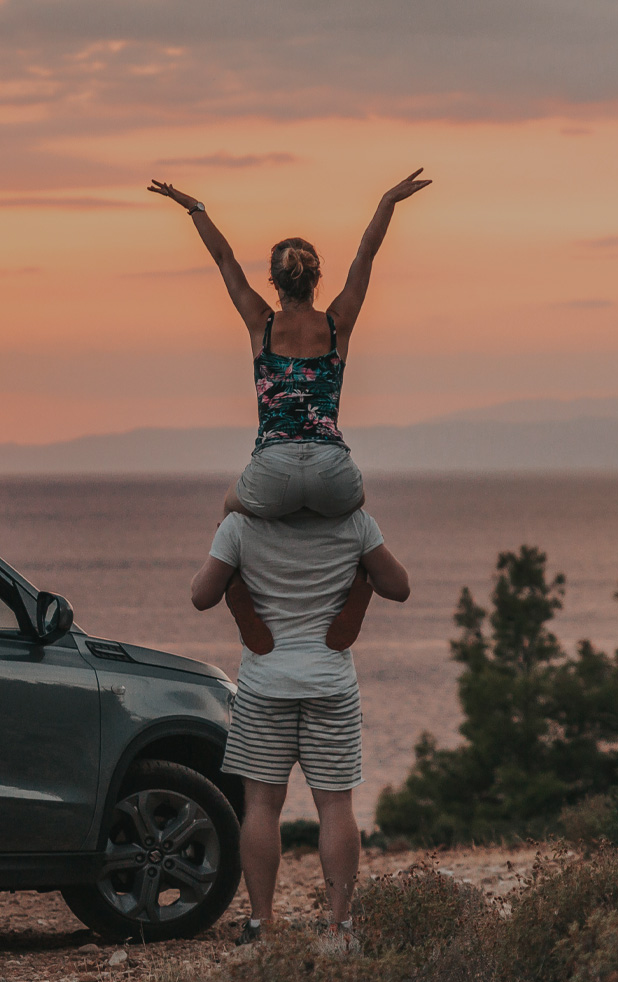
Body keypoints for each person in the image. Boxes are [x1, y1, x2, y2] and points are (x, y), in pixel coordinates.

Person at [150, 170, 430, 656]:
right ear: (317, 279)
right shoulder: (338, 324)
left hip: (273, 468)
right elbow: (366, 255)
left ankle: (241, 600)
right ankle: (357, 594)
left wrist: (195, 207)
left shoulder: (261, 325)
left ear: (274, 284)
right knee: (357, 525)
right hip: (333, 472)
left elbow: (224, 258)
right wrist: (387, 201)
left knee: (228, 511)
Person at [190, 507, 410, 947]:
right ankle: (340, 926)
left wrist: (229, 550)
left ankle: (261, 924)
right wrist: (362, 565)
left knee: (262, 807)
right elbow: (400, 587)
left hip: (264, 683)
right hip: (330, 681)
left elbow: (200, 595)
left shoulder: (240, 525)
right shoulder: (353, 522)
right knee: (335, 806)